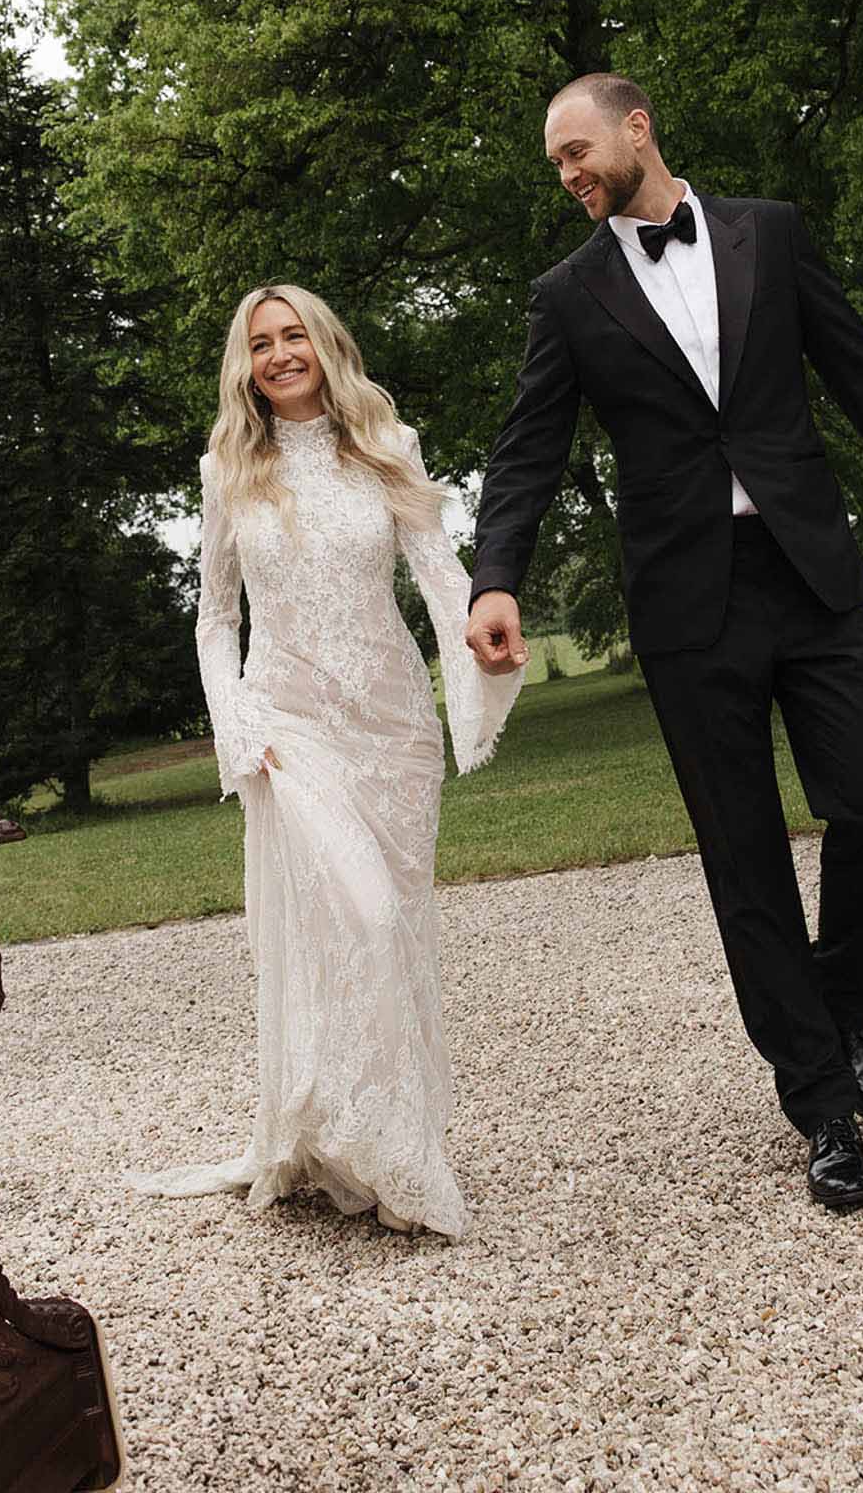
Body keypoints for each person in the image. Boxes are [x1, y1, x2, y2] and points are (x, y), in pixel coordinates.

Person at [466, 74, 863, 1211]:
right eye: (553, 161)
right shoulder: (566, 295)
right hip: (685, 607)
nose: (566, 173)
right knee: (742, 853)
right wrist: (495, 576)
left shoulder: (770, 231)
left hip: (810, 577)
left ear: (637, 125)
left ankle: (840, 1003)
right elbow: (526, 449)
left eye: (575, 149)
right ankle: (817, 1102)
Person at [127, 284, 521, 1237]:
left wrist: (482, 642)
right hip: (287, 723)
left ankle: (360, 1134)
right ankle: (379, 1152)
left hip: (389, 727)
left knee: (393, 928)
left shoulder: (389, 447)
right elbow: (216, 617)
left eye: (292, 334)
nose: (278, 354)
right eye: (259, 344)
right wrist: (237, 725)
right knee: (363, 920)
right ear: (246, 366)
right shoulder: (228, 468)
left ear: (324, 344)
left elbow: (437, 574)